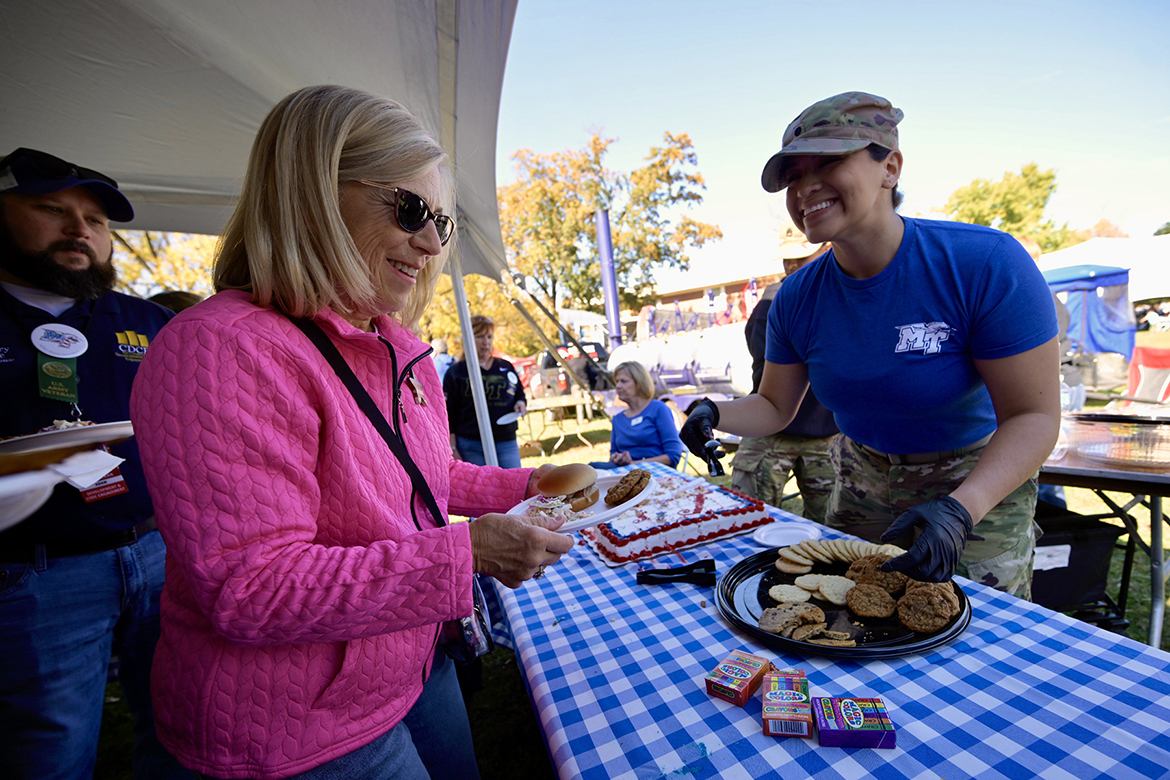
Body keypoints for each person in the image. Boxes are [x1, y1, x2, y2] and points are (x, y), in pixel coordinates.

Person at [129, 85, 574, 780]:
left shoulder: (392, 345)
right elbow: (254, 587)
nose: (431, 243)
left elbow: (420, 479)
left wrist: (535, 484)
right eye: (410, 210)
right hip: (294, 729)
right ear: (311, 194)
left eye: (444, 224)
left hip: (404, 659)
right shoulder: (222, 348)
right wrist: (467, 557)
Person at [681, 92, 1060, 597]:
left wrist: (961, 509)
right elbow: (774, 406)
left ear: (891, 168)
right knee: (851, 619)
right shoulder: (797, 298)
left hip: (977, 487)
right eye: (793, 175)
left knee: (972, 639)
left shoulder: (984, 264)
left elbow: (1033, 418)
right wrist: (714, 411)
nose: (805, 186)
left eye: (830, 160)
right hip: (859, 481)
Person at [0, 147, 190, 778]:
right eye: (52, 209)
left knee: (184, 728)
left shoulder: (152, 323)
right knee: (49, 754)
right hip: (34, 577)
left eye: (97, 219)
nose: (80, 229)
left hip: (159, 555)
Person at [730, 239, 839, 521]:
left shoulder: (845, 294)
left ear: (826, 249)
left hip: (825, 432)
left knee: (832, 528)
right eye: (787, 258)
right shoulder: (772, 302)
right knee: (749, 518)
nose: (791, 264)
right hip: (771, 432)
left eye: (801, 257)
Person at [443, 314, 527, 468]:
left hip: (505, 439)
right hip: (471, 442)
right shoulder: (456, 372)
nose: (485, 342)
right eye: (480, 337)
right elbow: (449, 414)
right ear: (468, 338)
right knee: (483, 489)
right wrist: (453, 448)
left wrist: (520, 403)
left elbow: (519, 392)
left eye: (489, 337)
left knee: (514, 485)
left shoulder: (505, 367)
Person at [591, 361, 683, 469]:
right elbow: (612, 454)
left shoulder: (658, 409)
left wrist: (634, 464)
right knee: (589, 469)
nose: (618, 386)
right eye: (617, 381)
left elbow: (673, 456)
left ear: (640, 383)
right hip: (625, 473)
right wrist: (618, 458)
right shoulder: (617, 419)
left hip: (654, 472)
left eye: (624, 381)